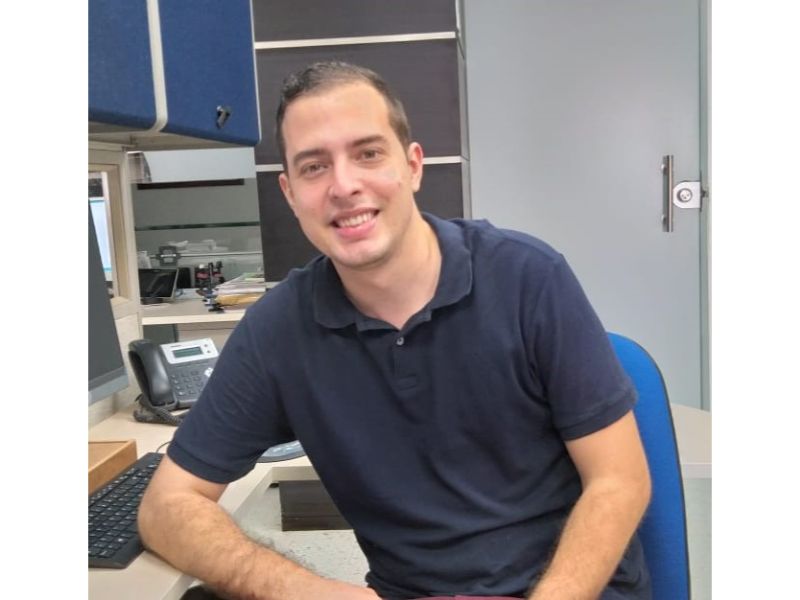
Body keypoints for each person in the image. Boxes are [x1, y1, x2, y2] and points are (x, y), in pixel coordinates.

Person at [138, 61, 652, 600]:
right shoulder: (278, 329)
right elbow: (166, 506)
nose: (344, 186)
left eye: (368, 154)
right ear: (290, 193)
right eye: (314, 167)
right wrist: (313, 593)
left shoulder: (528, 278)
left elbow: (620, 480)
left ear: (412, 166)